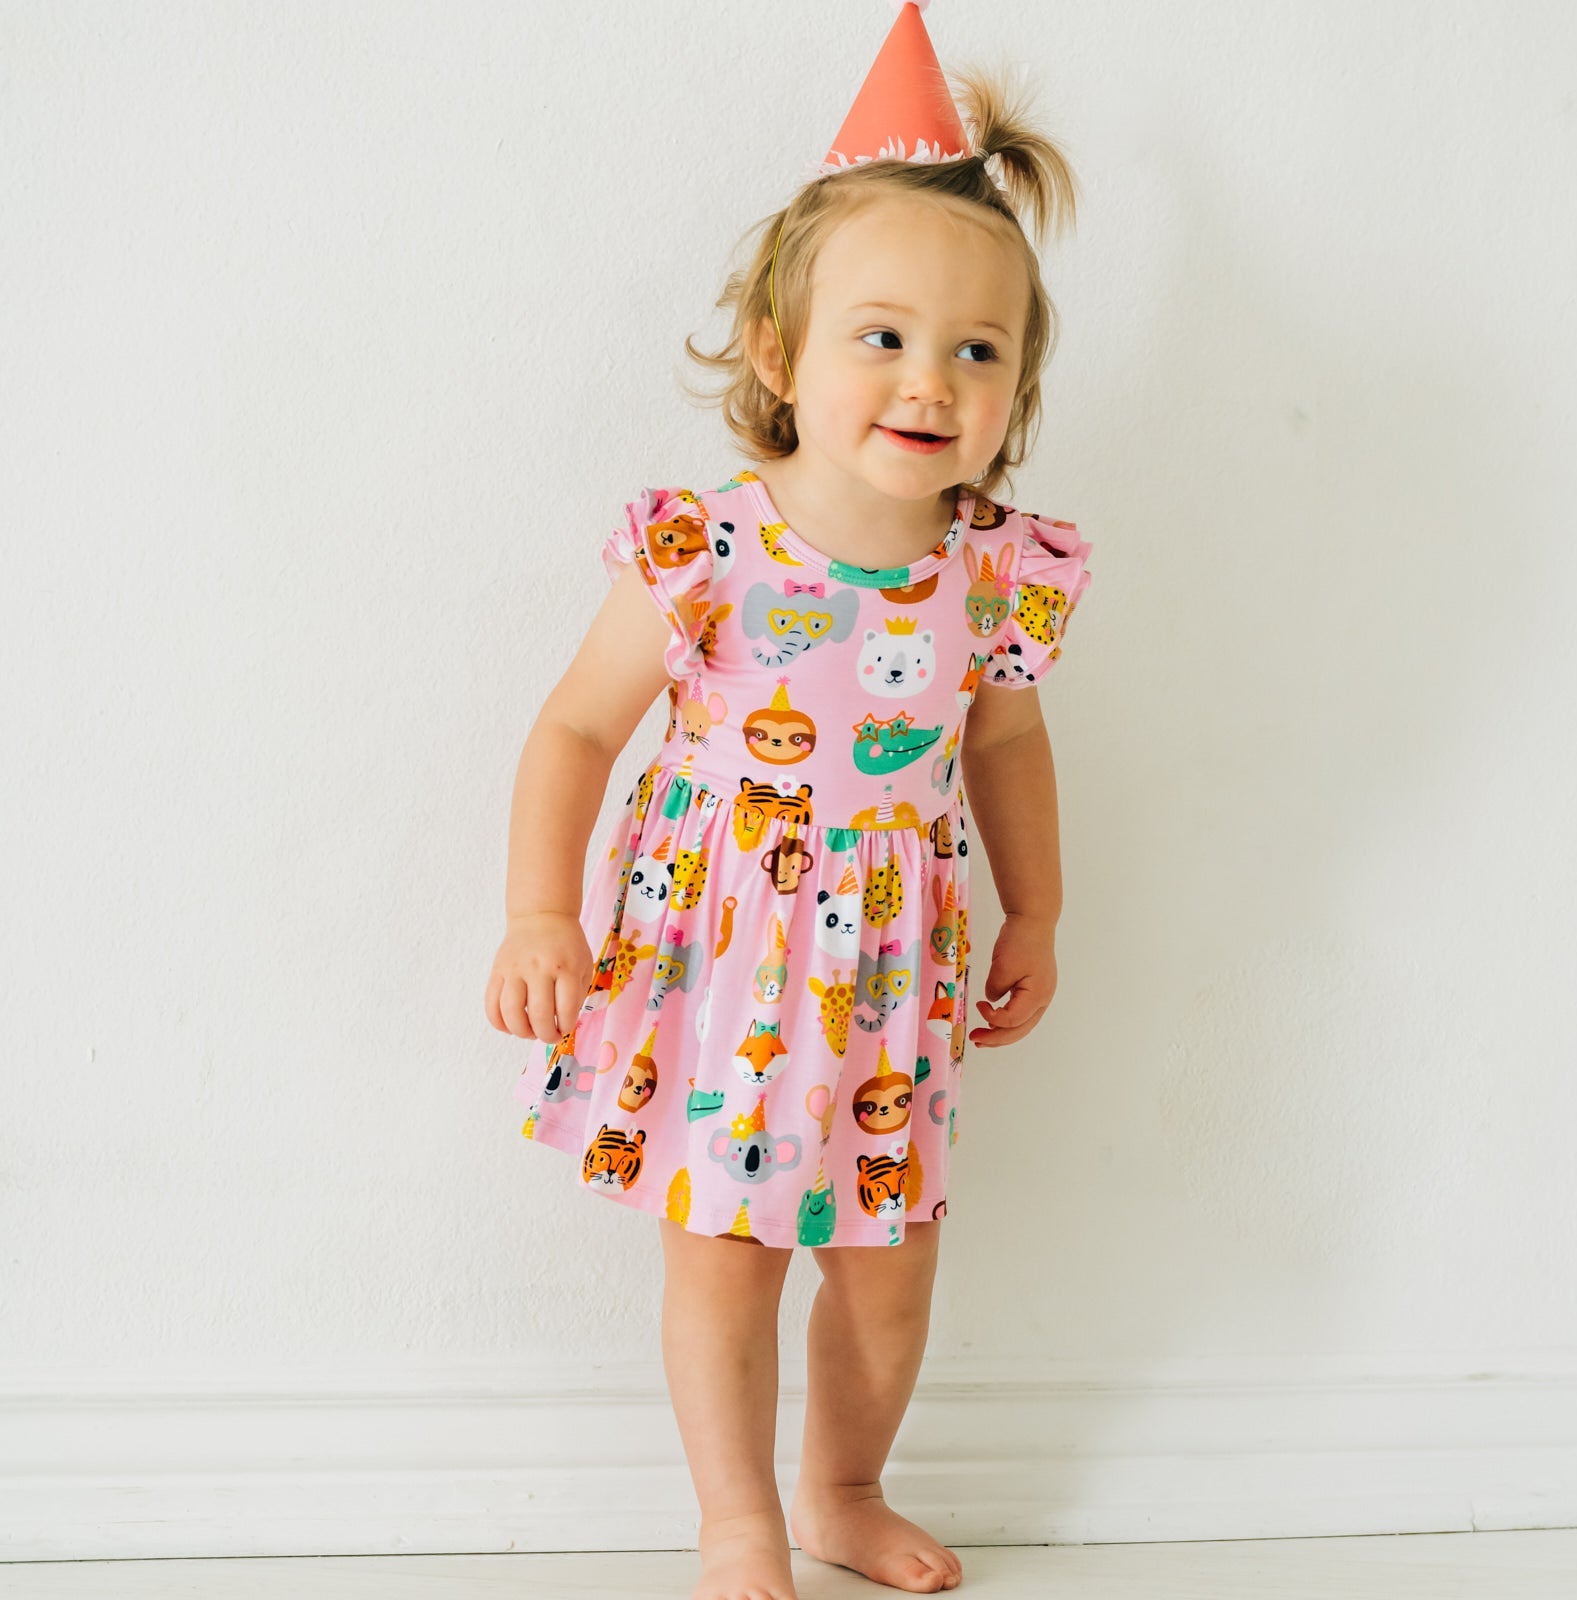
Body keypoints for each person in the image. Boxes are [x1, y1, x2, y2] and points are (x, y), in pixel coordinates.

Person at [485, 6, 1093, 1595]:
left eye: (979, 348)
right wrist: (539, 908)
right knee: (731, 1263)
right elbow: (573, 730)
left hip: (891, 973)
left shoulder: (992, 575)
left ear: (1016, 385)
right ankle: (737, 1517)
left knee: (890, 1280)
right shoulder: (707, 550)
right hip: (724, 965)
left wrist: (1037, 904)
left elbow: (1003, 745)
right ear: (780, 354)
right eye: (882, 335)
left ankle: (841, 1487)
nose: (932, 378)